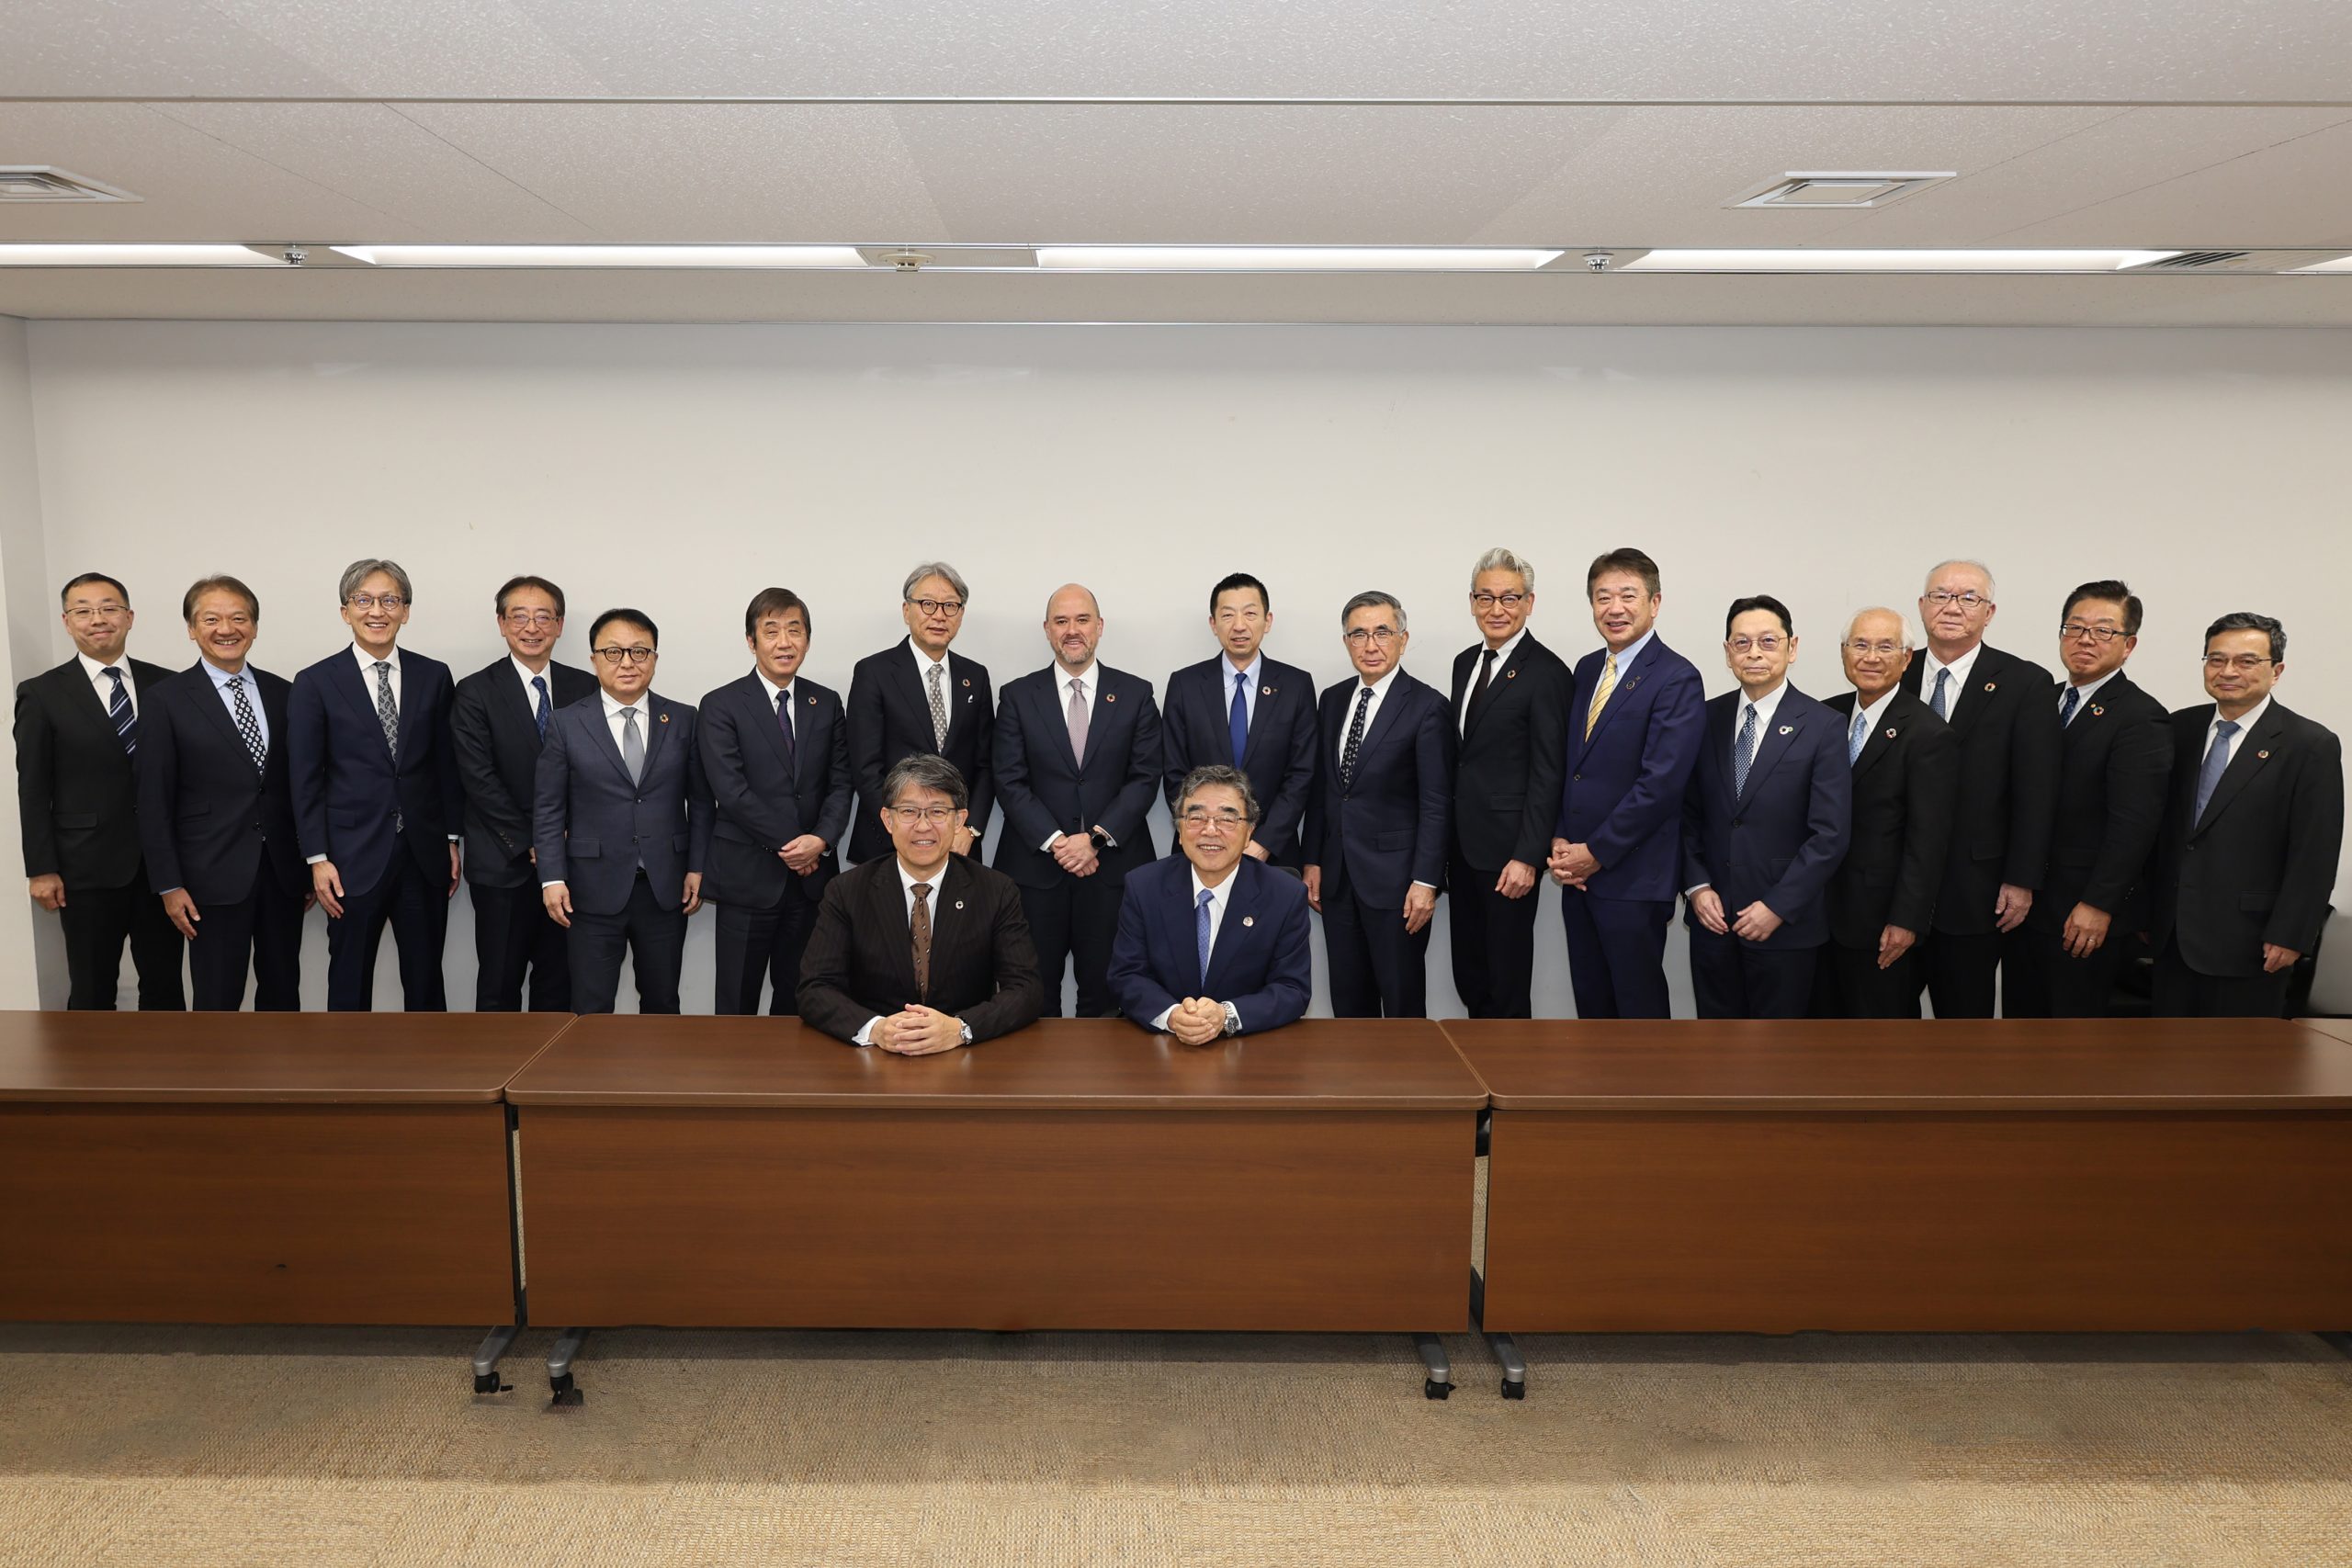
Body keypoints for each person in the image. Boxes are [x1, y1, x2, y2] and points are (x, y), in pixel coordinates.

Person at [288, 558, 464, 1012]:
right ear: (345, 611)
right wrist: (317, 858)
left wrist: (450, 838)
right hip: (350, 858)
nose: (377, 611)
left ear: (406, 610)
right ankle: (345, 1062)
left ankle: (430, 1061)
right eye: (363, 600)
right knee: (349, 983)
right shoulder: (315, 682)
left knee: (426, 983)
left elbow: (445, 764)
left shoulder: (434, 675)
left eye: (389, 600)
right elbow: (304, 779)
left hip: (423, 855)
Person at [2148, 613, 2344, 1018]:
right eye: (2216, 659)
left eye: (2246, 661)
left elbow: (2315, 852)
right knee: (2166, 1053)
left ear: (2277, 671)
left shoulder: (2310, 745)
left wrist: (2291, 934)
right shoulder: (2179, 728)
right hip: (2171, 936)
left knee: (2241, 1056)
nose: (2228, 671)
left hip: (2253, 942)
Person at [1546, 547, 1706, 1019]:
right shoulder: (1586, 669)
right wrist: (1560, 838)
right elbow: (1572, 766)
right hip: (1579, 875)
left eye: (1628, 595)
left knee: (1638, 1015)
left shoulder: (1677, 677)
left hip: (1633, 876)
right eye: (1603, 597)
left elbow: (1661, 784)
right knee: (1592, 1007)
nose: (1614, 608)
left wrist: (1596, 852)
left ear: (1655, 603)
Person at [137, 576, 308, 1011]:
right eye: (211, 619)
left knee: (283, 994)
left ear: (254, 626)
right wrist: (169, 884)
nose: (226, 629)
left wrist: (306, 864)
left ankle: (280, 1060)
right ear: (191, 628)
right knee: (216, 1001)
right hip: (208, 879)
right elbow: (153, 801)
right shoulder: (165, 700)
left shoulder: (284, 692)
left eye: (239, 618)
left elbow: (298, 784)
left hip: (281, 874)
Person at [14, 572, 184, 1010]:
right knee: (92, 989)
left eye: (109, 608)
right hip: (84, 868)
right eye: (83, 611)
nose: (98, 619)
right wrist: (41, 868)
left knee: (165, 985)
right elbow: (33, 787)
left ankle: (164, 1057)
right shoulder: (41, 693)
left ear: (129, 617)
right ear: (67, 622)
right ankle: (87, 1059)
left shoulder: (168, 686)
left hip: (161, 867)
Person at [1897, 559, 2059, 1018]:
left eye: (1969, 598)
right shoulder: (1894, 672)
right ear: (1922, 606)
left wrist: (2022, 879)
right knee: (1887, 1023)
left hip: (1976, 889)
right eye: (1940, 596)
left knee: (1965, 1025)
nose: (1952, 607)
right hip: (1895, 887)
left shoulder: (2025, 683)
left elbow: (2037, 791)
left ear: (1989, 612)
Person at [991, 584, 1162, 1017]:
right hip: (1034, 873)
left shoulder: (1136, 694)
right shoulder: (1017, 696)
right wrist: (1059, 843)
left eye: (1082, 620)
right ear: (1047, 629)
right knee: (1031, 998)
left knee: (1108, 1000)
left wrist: (1095, 839)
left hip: (1112, 872)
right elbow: (1009, 780)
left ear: (1099, 627)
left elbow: (1145, 778)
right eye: (1062, 621)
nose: (1072, 630)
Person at [2005, 581, 2171, 1019]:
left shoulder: (2141, 717)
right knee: (2021, 1032)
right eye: (2075, 627)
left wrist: (2099, 904)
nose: (2085, 639)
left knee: (2073, 1040)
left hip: (2082, 913)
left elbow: (2134, 825)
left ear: (2129, 644)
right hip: (2026, 906)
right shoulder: (2041, 701)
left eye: (2103, 631)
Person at [797, 754, 1046, 1048]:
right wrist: (876, 1029)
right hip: (875, 1054)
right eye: (909, 811)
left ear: (959, 820)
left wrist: (960, 1028)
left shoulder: (996, 891)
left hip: (965, 1054)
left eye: (937, 811)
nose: (923, 826)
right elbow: (815, 988)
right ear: (888, 820)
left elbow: (1026, 989)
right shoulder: (847, 891)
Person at [1680, 596, 1850, 1019]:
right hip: (1713, 921)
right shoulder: (1705, 718)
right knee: (1716, 1043)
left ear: (1792, 648)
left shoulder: (1824, 725)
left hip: (1785, 927)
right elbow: (1686, 814)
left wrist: (1777, 906)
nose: (1754, 653)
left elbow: (1829, 835)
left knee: (1779, 1050)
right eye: (1742, 642)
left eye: (1768, 641)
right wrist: (1697, 887)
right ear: (1728, 652)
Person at [534, 608, 710, 1015]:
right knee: (590, 1008)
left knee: (663, 1003)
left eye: (639, 651)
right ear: (594, 659)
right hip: (589, 889)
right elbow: (548, 808)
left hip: (665, 887)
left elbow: (701, 802)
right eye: (613, 652)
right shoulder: (566, 723)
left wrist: (698, 867)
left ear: (655, 658)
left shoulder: (683, 718)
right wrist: (552, 878)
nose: (627, 663)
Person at [699, 587, 852, 1015]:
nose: (784, 642)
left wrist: (820, 841)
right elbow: (731, 791)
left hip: (812, 885)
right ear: (752, 641)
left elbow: (842, 782)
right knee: (736, 1003)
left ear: (807, 639)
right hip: (747, 878)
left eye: (794, 630)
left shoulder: (827, 702)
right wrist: (796, 846)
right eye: (771, 631)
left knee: (802, 1000)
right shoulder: (720, 704)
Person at [450, 575, 597, 1011]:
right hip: (504, 862)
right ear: (501, 623)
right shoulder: (474, 691)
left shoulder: (586, 687)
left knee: (560, 985)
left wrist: (564, 838)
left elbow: (596, 773)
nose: (532, 627)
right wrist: (535, 841)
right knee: (499, 985)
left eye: (543, 617)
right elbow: (479, 779)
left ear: (560, 625)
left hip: (571, 864)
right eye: (519, 616)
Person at [1303, 591, 1452, 1018]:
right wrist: (1313, 859)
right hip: (1337, 880)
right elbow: (1323, 789)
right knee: (1349, 1004)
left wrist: (1426, 881)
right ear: (1346, 642)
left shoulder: (1427, 706)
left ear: (1403, 639)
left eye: (1382, 633)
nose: (1371, 645)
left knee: (1402, 1003)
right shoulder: (1332, 699)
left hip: (1398, 884)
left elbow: (1437, 803)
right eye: (1359, 634)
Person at [1447, 548, 1570, 1019]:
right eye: (1486, 597)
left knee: (1507, 981)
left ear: (1529, 603)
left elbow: (1548, 772)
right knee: (1470, 973)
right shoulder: (1464, 663)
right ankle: (1477, 1065)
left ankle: (1511, 1068)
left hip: (1509, 855)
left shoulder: (1548, 673)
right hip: (1462, 849)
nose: (1496, 609)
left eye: (1509, 598)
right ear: (1472, 602)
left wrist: (1528, 856)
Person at [1815, 609, 1955, 1019]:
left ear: (1907, 658)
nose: (1871, 657)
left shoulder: (1929, 735)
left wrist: (1906, 921)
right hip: (1817, 914)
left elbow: (1928, 840)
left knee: (1879, 1038)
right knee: (1816, 1036)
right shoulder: (1824, 717)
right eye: (1860, 645)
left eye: (1885, 647)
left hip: (1879, 923)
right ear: (1844, 653)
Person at [1108, 765, 1314, 1040]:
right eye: (1196, 818)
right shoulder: (1144, 886)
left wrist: (1225, 1016)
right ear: (1180, 830)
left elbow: (1292, 989)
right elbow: (1127, 975)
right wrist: (1172, 1016)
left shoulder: (1285, 895)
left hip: (1251, 1047)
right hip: (1163, 1044)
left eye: (1227, 819)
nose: (1210, 830)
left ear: (1249, 832)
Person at [1159, 572, 1318, 869]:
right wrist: (1210, 836)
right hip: (1201, 848)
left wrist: (1263, 843)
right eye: (1228, 615)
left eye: (1250, 614)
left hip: (1273, 853)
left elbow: (1301, 774)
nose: (1239, 625)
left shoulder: (1296, 686)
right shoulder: (1185, 685)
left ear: (1267, 621)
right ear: (1213, 623)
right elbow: (1174, 772)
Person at [845, 562, 995, 864]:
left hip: (958, 844)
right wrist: (905, 828)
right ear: (906, 610)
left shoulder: (975, 676)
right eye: (927, 604)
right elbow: (865, 768)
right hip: (888, 842)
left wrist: (969, 828)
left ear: (961, 615)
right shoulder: (873, 672)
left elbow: (986, 764)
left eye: (950, 605)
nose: (939, 615)